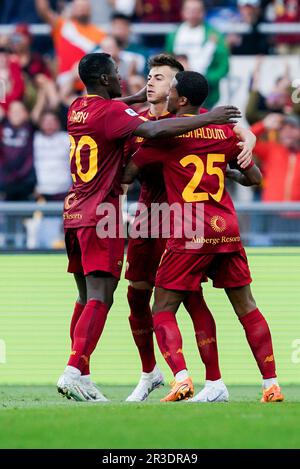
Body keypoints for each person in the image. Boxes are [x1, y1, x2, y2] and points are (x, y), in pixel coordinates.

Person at [57, 52, 241, 402]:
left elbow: (237, 131)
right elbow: (131, 133)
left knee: (186, 297)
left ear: (180, 90)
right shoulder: (131, 118)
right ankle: (147, 373)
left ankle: (208, 379)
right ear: (108, 80)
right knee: (133, 295)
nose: (150, 82)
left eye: (162, 78)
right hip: (139, 217)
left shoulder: (189, 118)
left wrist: (247, 141)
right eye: (151, 76)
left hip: (181, 221)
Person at [123, 71, 284, 403]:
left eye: (172, 92)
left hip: (190, 230)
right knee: (247, 307)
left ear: (181, 100)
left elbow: (128, 173)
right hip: (226, 228)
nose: (166, 95)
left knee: (163, 308)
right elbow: (254, 177)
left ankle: (181, 378)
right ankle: (270, 384)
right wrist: (230, 172)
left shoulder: (167, 138)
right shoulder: (224, 132)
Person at [165, 0, 229, 109]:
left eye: (196, 10)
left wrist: (205, 80)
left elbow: (223, 65)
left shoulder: (214, 35)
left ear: (203, 12)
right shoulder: (174, 35)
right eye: (189, 10)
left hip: (206, 95)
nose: (193, 14)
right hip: (177, 88)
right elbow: (168, 58)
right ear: (183, 12)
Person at [35, 0, 107, 87]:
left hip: (90, 87)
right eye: (79, 6)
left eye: (85, 6)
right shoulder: (62, 26)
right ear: (73, 9)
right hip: (65, 85)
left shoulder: (100, 34)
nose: (82, 9)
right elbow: (43, 11)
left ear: (90, 9)